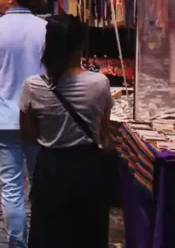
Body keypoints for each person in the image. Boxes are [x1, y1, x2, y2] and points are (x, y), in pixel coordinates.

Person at [21, 14, 113, 248]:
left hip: (51, 168)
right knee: (87, 236)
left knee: (49, 235)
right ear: (80, 45)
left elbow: (29, 135)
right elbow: (103, 131)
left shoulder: (33, 86)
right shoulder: (99, 83)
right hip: (88, 168)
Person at [0, 0, 46, 248]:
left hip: (4, 118)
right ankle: (41, 239)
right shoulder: (45, 28)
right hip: (39, 117)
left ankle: (17, 243)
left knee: (11, 186)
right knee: (40, 184)